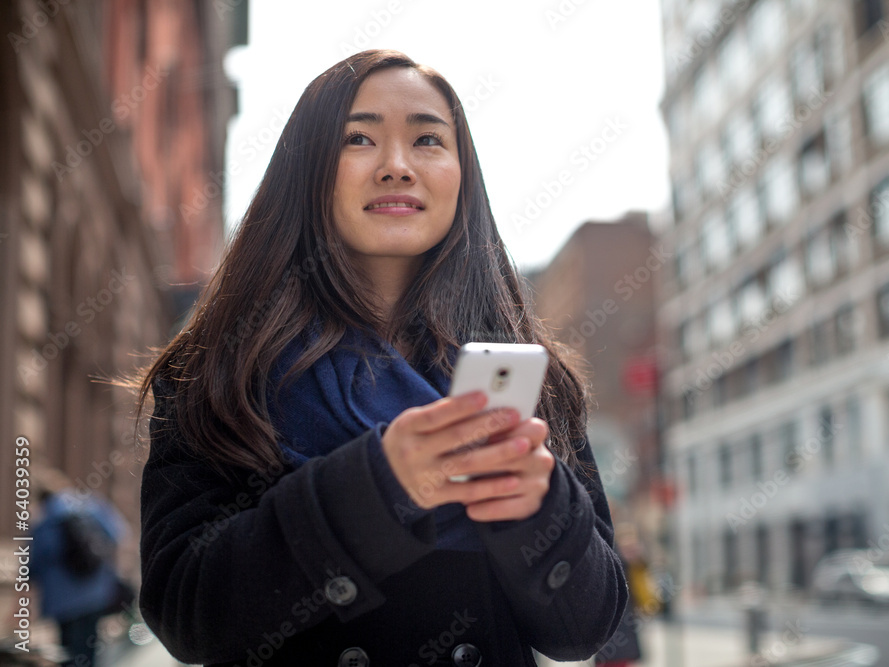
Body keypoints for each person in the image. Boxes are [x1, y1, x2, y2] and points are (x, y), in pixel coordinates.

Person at [133, 49, 627, 665]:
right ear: (308, 170)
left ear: (461, 175)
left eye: (427, 139)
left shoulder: (532, 379)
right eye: (359, 138)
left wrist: (540, 510)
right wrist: (376, 489)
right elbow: (186, 615)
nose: (397, 167)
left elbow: (586, 630)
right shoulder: (220, 368)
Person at [32, 469, 128, 666]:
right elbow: (117, 533)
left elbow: (33, 564)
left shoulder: (45, 521)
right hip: (96, 593)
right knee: (89, 649)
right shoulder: (92, 505)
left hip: (62, 600)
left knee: (69, 653)